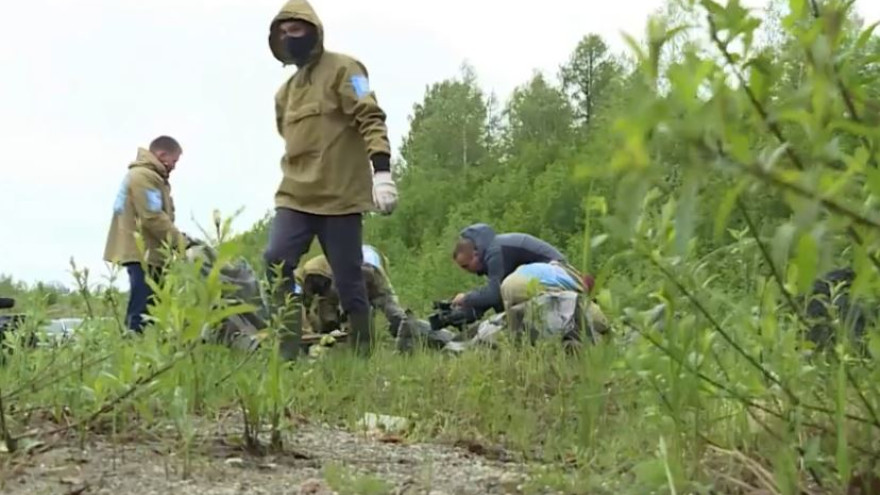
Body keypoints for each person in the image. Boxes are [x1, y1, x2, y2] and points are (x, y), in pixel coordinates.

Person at [263, 0, 398, 360]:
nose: (290, 37)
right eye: (283, 32)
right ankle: (288, 354)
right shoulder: (284, 93)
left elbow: (370, 117)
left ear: (313, 29)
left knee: (350, 281)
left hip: (340, 198)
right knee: (276, 261)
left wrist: (381, 171)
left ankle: (361, 357)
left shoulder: (345, 69)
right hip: (294, 195)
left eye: (296, 29)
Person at [103, 136, 191, 333]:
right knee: (143, 308)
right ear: (161, 155)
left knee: (151, 307)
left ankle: (144, 350)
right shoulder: (144, 177)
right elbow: (153, 216)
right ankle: (136, 350)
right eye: (173, 161)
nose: (174, 167)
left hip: (148, 252)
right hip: (144, 253)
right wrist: (181, 243)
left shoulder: (150, 177)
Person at [450, 223, 592, 318]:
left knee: (509, 290)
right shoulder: (494, 250)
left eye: (466, 266)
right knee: (508, 297)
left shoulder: (495, 252)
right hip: (553, 273)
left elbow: (494, 294)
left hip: (559, 272)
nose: (466, 271)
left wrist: (466, 298)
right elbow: (498, 298)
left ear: (475, 254)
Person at [294, 244, 408, 339]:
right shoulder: (375, 259)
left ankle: (344, 333)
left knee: (343, 305)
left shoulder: (313, 271)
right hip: (366, 268)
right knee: (386, 303)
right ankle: (405, 327)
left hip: (345, 271)